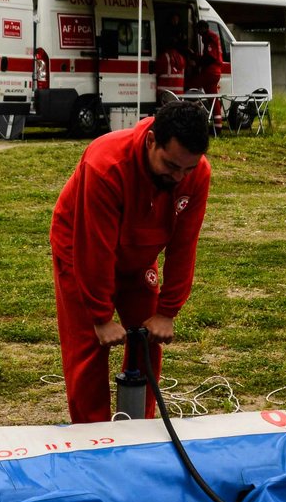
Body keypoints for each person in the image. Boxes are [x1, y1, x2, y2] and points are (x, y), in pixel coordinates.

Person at [50, 100, 211, 424]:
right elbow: (94, 248)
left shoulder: (196, 174)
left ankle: (139, 431)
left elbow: (184, 245)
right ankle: (92, 440)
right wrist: (100, 316)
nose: (179, 177)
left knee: (148, 341)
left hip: (139, 254)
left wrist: (166, 312)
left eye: (188, 168)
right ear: (151, 141)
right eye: (171, 166)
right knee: (90, 348)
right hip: (80, 247)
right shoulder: (105, 164)